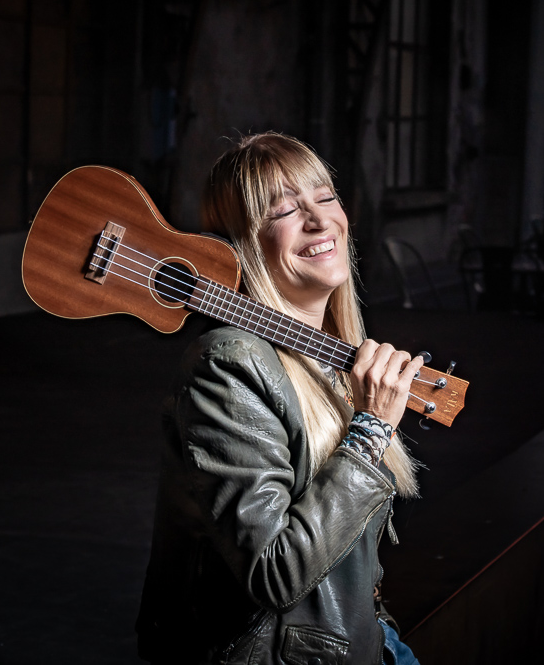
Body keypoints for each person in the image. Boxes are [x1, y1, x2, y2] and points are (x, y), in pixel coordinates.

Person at [136, 132, 423, 665]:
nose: (319, 220)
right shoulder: (229, 364)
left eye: (326, 196)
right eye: (285, 210)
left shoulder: (330, 355)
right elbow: (274, 571)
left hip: (366, 640)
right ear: (243, 244)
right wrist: (370, 433)